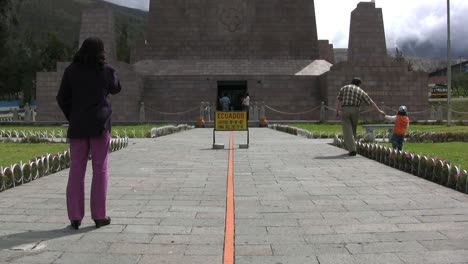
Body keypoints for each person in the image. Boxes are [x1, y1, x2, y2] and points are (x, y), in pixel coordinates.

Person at [56, 37, 121, 230]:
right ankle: (99, 216)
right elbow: (117, 88)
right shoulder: (106, 71)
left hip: (78, 126)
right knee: (100, 169)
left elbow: (62, 97)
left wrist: (72, 115)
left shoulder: (71, 71)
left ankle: (75, 216)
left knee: (77, 169)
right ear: (101, 51)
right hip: (100, 125)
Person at [336, 77, 385, 156]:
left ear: (351, 82)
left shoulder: (344, 88)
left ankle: (352, 149)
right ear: (358, 84)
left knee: (347, 130)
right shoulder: (360, 91)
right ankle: (353, 146)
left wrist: (337, 111)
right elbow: (371, 102)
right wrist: (379, 111)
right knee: (353, 129)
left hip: (345, 109)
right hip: (355, 110)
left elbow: (338, 100)